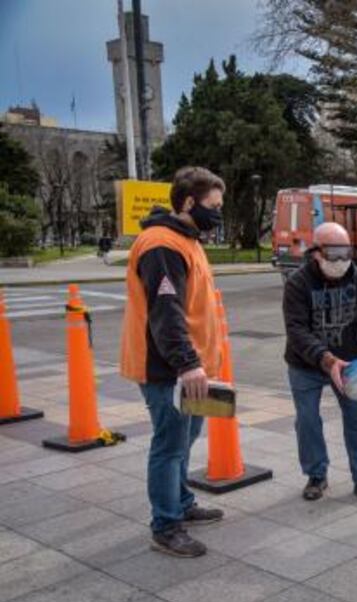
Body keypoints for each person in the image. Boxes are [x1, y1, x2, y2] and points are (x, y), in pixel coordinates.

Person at [119, 166, 227, 558]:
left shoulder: (187, 239)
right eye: (212, 206)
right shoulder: (162, 246)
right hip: (169, 369)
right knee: (170, 444)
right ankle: (165, 525)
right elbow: (166, 314)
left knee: (186, 437)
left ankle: (181, 502)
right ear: (187, 202)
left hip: (191, 367)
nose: (217, 213)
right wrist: (187, 363)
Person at [283, 222, 357, 504]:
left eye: (346, 252)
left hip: (352, 363)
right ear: (316, 252)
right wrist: (327, 361)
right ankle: (316, 475)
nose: (341, 261)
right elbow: (297, 331)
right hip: (306, 365)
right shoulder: (297, 283)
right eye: (333, 253)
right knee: (307, 421)